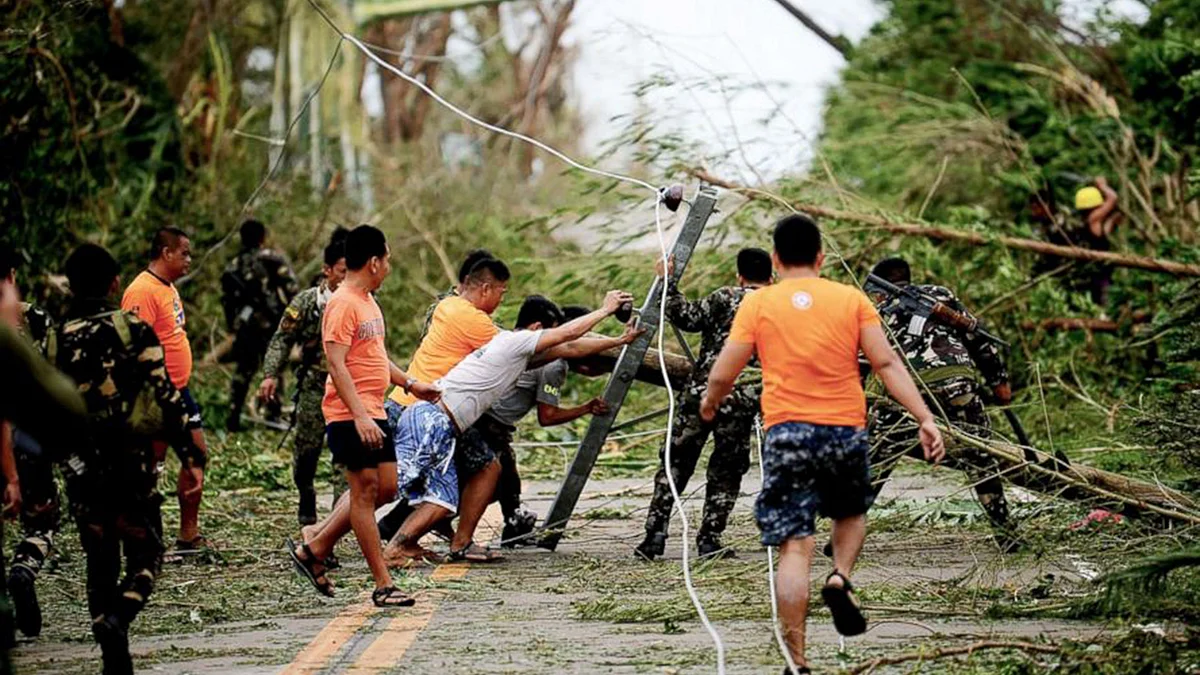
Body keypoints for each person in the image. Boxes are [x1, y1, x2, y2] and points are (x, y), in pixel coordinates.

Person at [701, 214, 945, 673]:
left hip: (787, 431)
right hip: (844, 429)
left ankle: (797, 661)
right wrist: (925, 417)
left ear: (775, 260)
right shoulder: (851, 300)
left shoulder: (759, 303)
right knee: (851, 513)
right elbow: (887, 363)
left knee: (795, 546)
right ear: (820, 258)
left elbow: (724, 369)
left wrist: (711, 403)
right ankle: (840, 577)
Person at [382, 290, 639, 565]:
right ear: (537, 329)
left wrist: (620, 340)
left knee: (430, 488)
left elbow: (570, 347)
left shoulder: (514, 349)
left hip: (435, 417)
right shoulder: (518, 342)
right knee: (425, 492)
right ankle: (400, 544)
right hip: (436, 420)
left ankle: (414, 541)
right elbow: (567, 338)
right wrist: (605, 310)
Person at [54, 244, 205, 675]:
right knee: (147, 552)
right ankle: (121, 617)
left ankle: (110, 647)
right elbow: (164, 395)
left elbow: (40, 404)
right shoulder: (133, 330)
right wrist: (190, 454)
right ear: (114, 284)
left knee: (98, 560)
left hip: (83, 469)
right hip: (132, 464)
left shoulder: (55, 339)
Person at [287, 225, 440, 608]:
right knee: (364, 491)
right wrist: (358, 417)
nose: (388, 267)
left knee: (386, 489)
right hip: (348, 413)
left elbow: (373, 356)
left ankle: (315, 545)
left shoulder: (368, 301)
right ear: (374, 261)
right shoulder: (342, 303)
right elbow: (336, 365)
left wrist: (411, 383)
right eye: (387, 260)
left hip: (373, 409)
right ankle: (382, 585)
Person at [865, 257, 1017, 550]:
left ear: (881, 289)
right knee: (981, 457)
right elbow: (978, 340)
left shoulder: (879, 310)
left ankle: (847, 530)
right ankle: (1005, 530)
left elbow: (871, 363)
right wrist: (999, 382)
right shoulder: (941, 294)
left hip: (906, 394)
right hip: (957, 384)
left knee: (878, 458)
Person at [637, 248, 771, 561]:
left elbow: (685, 316)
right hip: (743, 398)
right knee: (726, 470)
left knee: (675, 462)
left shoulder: (723, 297)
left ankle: (654, 535)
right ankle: (709, 539)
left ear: (739, 275)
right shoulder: (777, 305)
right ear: (771, 276)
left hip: (702, 392)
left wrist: (667, 281)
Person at [375, 256, 509, 541]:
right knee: (486, 468)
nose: (501, 300)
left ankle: (408, 536)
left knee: (409, 486)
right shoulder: (472, 319)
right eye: (501, 292)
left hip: (407, 405)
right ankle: (319, 540)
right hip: (423, 415)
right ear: (485, 288)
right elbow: (518, 349)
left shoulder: (448, 305)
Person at [466, 295, 610, 546]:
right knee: (484, 484)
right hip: (486, 426)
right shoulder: (554, 365)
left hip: (482, 420)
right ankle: (405, 530)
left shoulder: (531, 347)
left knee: (509, 479)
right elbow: (548, 416)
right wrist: (586, 408)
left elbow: (591, 368)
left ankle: (513, 530)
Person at [121, 227, 209, 561]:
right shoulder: (141, 291)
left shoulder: (168, 288)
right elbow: (133, 346)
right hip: (156, 394)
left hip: (180, 390)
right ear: (165, 252)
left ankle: (188, 535)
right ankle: (145, 543)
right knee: (150, 466)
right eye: (184, 253)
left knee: (196, 455)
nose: (188, 259)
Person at [260, 234, 349, 525]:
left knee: (344, 461)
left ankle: (333, 526)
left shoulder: (359, 303)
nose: (347, 278)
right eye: (342, 272)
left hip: (346, 390)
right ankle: (307, 502)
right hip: (314, 388)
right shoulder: (307, 302)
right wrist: (271, 375)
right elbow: (281, 340)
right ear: (327, 270)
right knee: (306, 454)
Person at [0, 243, 62, 637]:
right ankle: (23, 568)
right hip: (28, 442)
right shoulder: (33, 319)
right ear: (11, 277)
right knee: (43, 522)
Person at [221, 219, 299, 431]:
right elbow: (292, 288)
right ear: (262, 237)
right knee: (274, 369)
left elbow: (227, 300)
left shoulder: (234, 264)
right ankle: (272, 416)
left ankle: (234, 414)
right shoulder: (272, 259)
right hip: (270, 325)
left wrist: (232, 325)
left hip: (246, 326)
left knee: (243, 370)